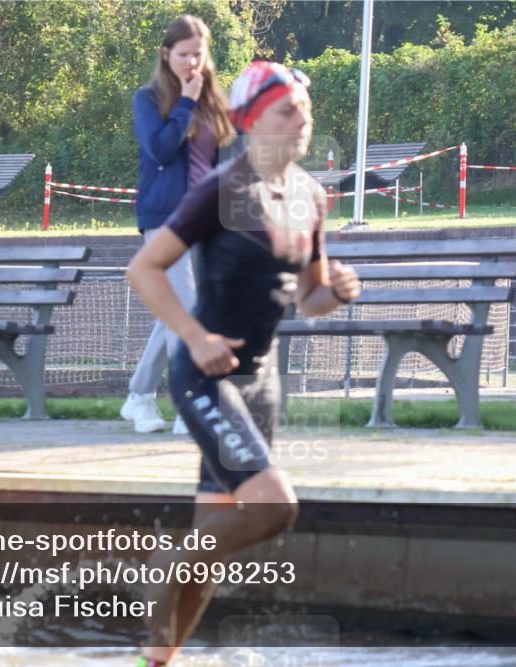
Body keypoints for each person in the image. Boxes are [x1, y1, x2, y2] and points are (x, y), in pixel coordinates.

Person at [127, 62, 362, 666]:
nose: (302, 121)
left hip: (262, 384)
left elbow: (307, 300)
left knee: (212, 547)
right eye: (288, 111)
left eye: (306, 111)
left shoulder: (311, 195)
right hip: (206, 375)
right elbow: (144, 270)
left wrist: (332, 292)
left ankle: (156, 659)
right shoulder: (222, 190)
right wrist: (194, 336)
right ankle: (163, 567)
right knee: (273, 507)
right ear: (249, 122)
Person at [122, 14, 237, 434]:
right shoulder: (149, 98)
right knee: (187, 308)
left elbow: (225, 161)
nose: (192, 63)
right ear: (167, 54)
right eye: (184, 55)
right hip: (166, 220)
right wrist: (185, 101)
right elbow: (160, 150)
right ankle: (191, 405)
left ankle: (138, 397)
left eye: (198, 55)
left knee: (174, 311)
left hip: (207, 220)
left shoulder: (215, 100)